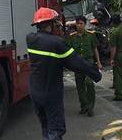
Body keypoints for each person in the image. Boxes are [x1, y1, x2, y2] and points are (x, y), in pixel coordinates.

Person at [27, 8, 102, 140]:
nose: (59, 26)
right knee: (56, 130)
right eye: (57, 23)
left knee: (46, 127)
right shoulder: (57, 43)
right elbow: (77, 63)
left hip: (35, 92)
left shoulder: (31, 39)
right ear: (50, 25)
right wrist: (95, 74)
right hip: (50, 93)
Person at [66, 16, 102, 117]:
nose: (79, 25)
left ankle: (90, 107)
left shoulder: (91, 35)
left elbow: (95, 49)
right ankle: (84, 106)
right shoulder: (72, 37)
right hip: (77, 63)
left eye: (81, 23)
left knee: (89, 82)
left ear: (85, 24)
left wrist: (98, 62)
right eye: (77, 23)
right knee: (79, 85)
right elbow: (69, 51)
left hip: (89, 62)